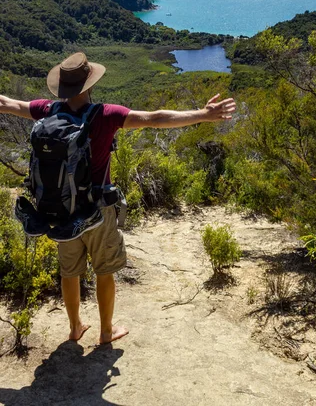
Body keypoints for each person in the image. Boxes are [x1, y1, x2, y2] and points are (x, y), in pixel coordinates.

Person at [0, 52, 236, 344]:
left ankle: (75, 328)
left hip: (59, 212)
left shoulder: (46, 110)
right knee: (104, 271)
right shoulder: (106, 114)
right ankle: (106, 331)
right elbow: (154, 119)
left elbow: (9, 104)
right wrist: (203, 114)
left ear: (62, 87)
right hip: (97, 212)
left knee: (69, 273)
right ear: (88, 86)